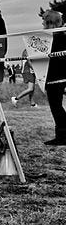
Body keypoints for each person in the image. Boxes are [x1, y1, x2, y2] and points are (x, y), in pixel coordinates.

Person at [41, 10, 66, 145]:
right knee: (56, 106)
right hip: (57, 76)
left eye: (44, 21)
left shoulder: (52, 40)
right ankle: (61, 134)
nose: (42, 23)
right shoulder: (60, 37)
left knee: (56, 107)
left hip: (55, 76)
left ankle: (62, 135)